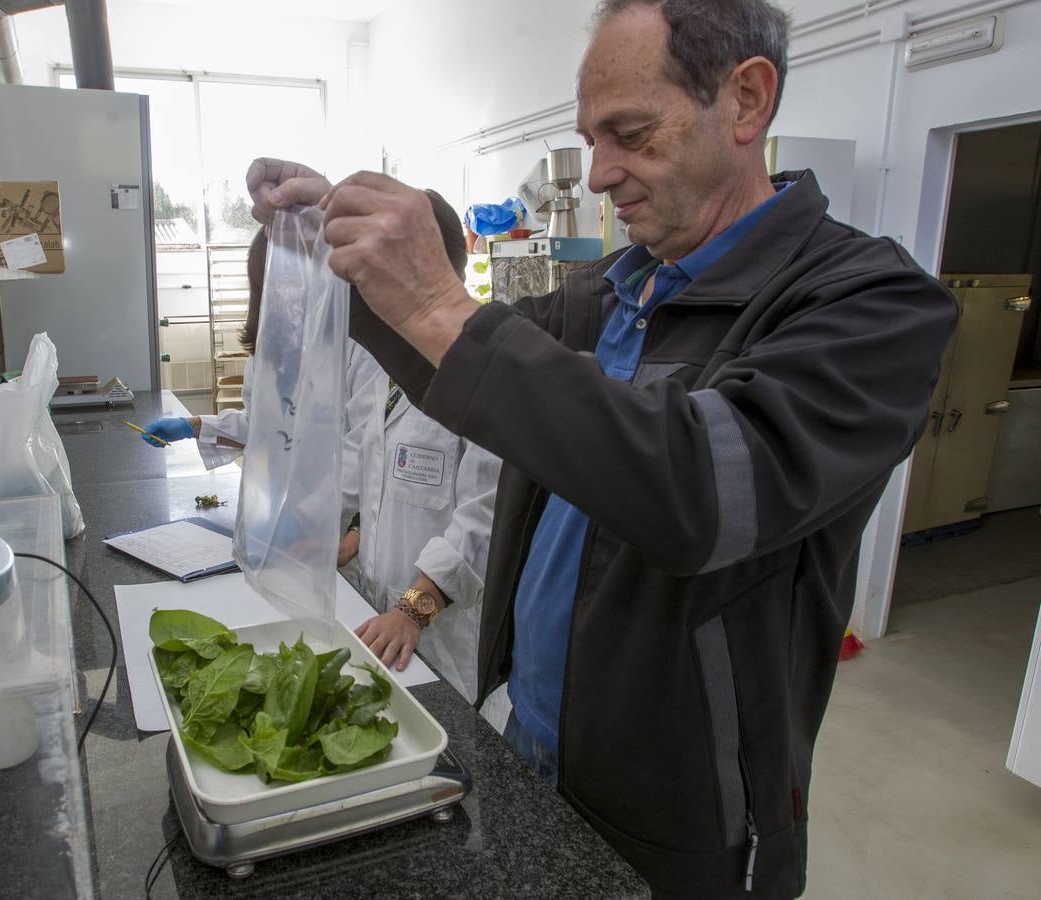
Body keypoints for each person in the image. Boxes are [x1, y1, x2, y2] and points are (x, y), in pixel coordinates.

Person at [245, 1, 959, 897]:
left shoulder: (871, 306)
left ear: (746, 101)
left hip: (683, 803)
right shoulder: (610, 294)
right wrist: (335, 251)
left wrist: (437, 302)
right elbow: (459, 382)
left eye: (629, 133)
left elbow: (699, 490)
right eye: (590, 139)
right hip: (528, 732)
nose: (598, 175)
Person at [342, 191, 501, 708]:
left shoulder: (487, 369)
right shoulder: (388, 369)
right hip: (373, 614)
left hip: (435, 631)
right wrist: (307, 536)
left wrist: (412, 610)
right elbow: (354, 467)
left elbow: (485, 517)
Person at [139, 229, 266, 470]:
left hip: (325, 503)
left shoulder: (350, 348)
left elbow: (354, 457)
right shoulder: (267, 350)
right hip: (273, 493)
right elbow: (259, 427)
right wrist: (191, 426)